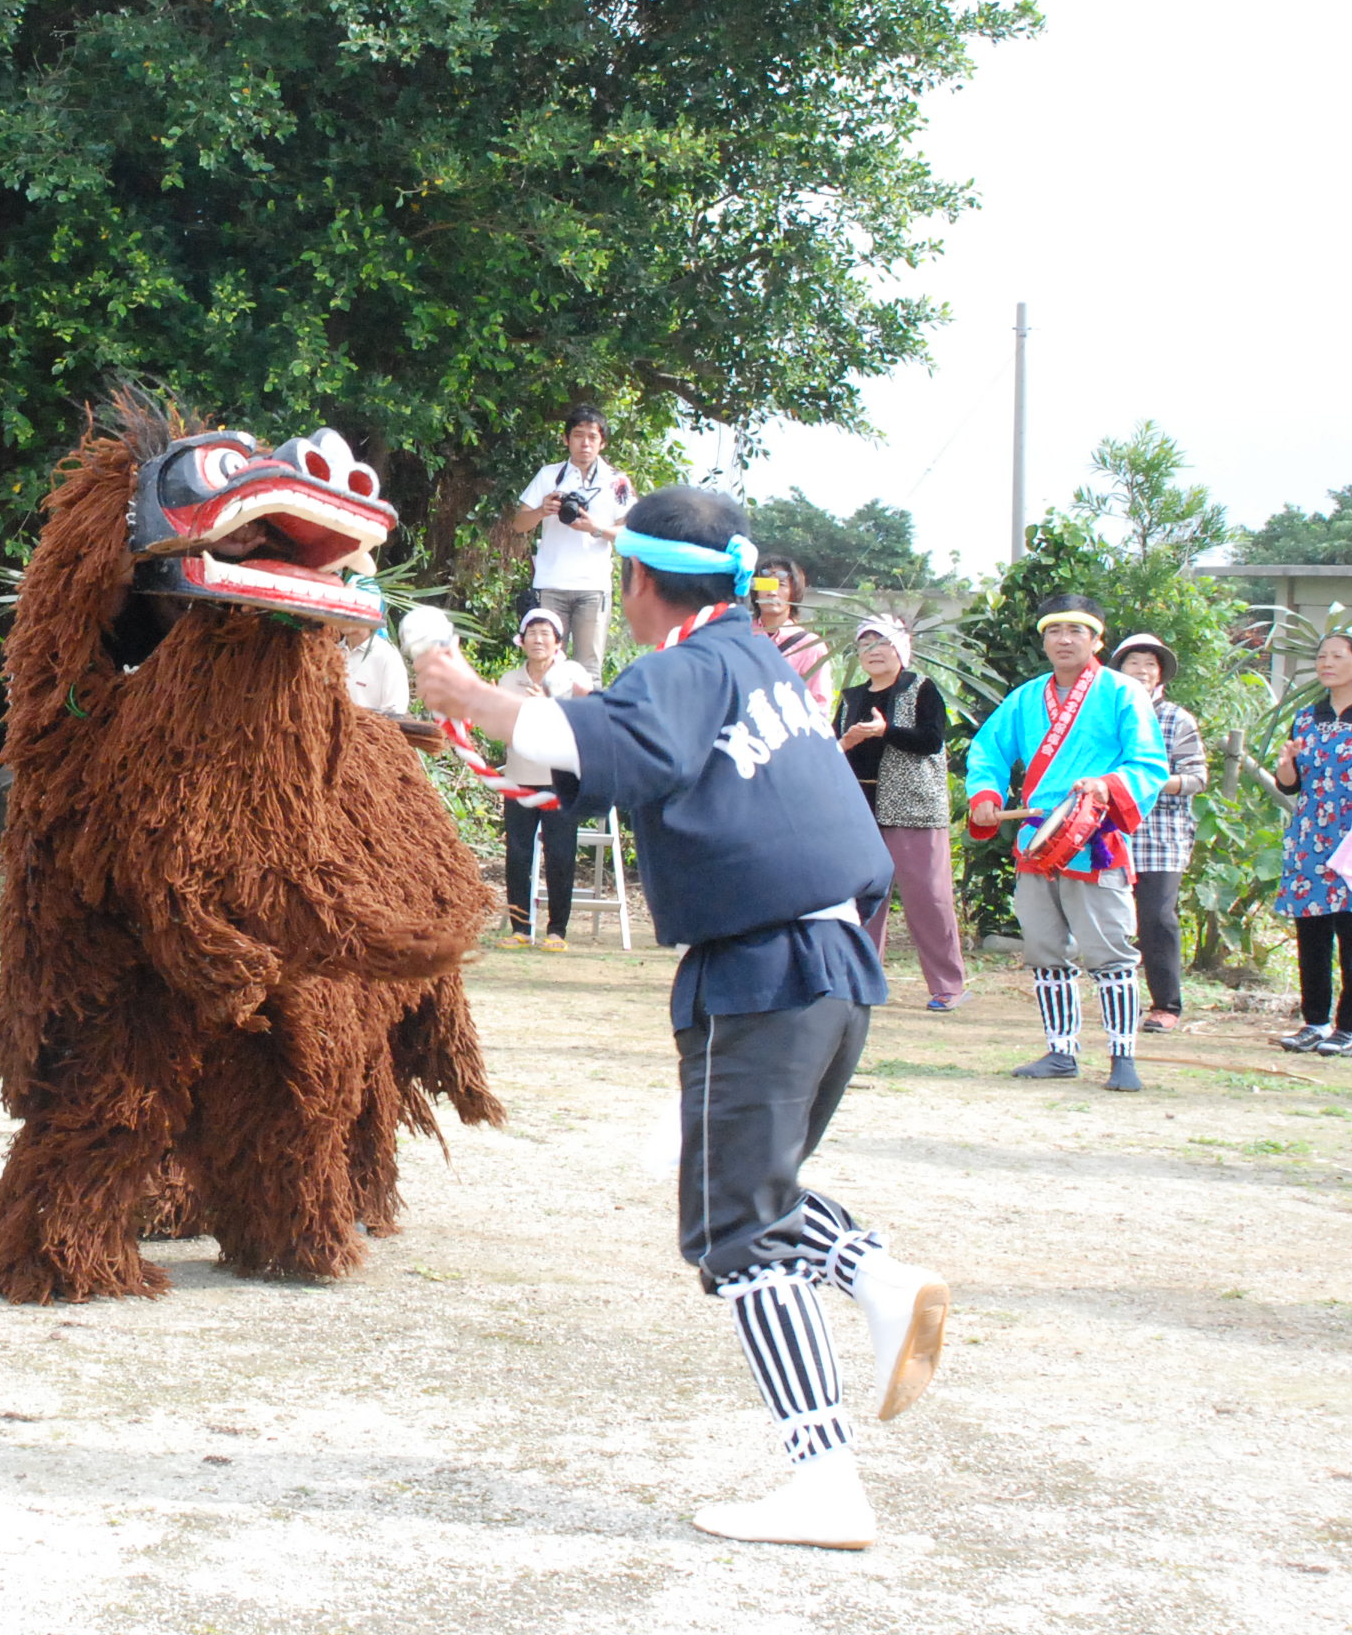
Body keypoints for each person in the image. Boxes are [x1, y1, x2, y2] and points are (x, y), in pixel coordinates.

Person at [404, 487, 946, 1551]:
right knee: (739, 1188)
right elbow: (620, 757)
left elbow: (588, 738)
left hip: (768, 966)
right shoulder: (754, 661)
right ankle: (876, 1278)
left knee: (734, 1228)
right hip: (827, 960)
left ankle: (824, 1473)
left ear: (638, 582)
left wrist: (464, 690)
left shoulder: (691, 666)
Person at [963, 595, 1169, 1092]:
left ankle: (1123, 1056)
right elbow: (988, 749)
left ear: (1097, 639)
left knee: (1110, 952)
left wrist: (1106, 783)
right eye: (1054, 631)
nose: (1064, 640)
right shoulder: (1025, 698)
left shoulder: (1123, 693)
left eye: (1076, 631)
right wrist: (986, 793)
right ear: (1044, 640)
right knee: (1045, 948)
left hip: (1094, 836)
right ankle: (1061, 1052)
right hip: (1038, 836)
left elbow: (1148, 763)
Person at [1271, 632, 1352, 1057]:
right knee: (1311, 930)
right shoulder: (1307, 717)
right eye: (1321, 656)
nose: (1327, 663)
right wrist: (1287, 764)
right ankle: (1314, 1021)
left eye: (1337, 656)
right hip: (1312, 838)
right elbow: (1290, 787)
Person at [834, 615, 968, 1010]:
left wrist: (884, 731)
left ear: (900, 649)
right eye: (865, 644)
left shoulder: (921, 688)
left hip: (913, 808)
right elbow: (835, 748)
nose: (873, 651)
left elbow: (931, 741)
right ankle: (862, 980)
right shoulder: (851, 696)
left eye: (882, 643)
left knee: (929, 897)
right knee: (863, 900)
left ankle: (948, 985)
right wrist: (848, 739)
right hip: (860, 808)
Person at [1110, 633, 1209, 1034]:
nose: (1142, 671)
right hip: (1110, 831)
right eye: (1134, 663)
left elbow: (1197, 778)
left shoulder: (1177, 719)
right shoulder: (1105, 714)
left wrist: (1145, 781)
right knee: (1112, 919)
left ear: (1161, 675)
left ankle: (1166, 1005)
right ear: (1118, 670)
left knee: (1156, 917)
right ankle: (1119, 1000)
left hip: (1161, 835)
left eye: (1150, 664)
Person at [505, 404, 633, 674]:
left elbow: (629, 536)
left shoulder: (617, 481)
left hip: (594, 587)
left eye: (592, 437)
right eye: (578, 435)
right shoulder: (549, 476)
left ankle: (585, 718)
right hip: (551, 584)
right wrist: (542, 510)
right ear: (566, 439)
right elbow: (518, 524)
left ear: (603, 443)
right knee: (544, 665)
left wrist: (595, 528)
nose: (585, 443)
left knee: (589, 668)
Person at [494, 608, 582, 949]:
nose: (538, 640)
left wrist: (545, 706)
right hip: (519, 776)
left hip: (559, 779)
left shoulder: (569, 679)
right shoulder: (508, 680)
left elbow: (579, 726)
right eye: (532, 633)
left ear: (558, 642)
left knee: (560, 855)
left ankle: (556, 931)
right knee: (517, 853)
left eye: (546, 634)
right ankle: (520, 928)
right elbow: (502, 727)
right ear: (522, 640)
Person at [749, 557, 833, 709]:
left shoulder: (810, 646)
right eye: (765, 584)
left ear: (794, 593)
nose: (772, 592)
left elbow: (819, 705)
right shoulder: (737, 636)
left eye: (781, 585)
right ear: (755, 592)